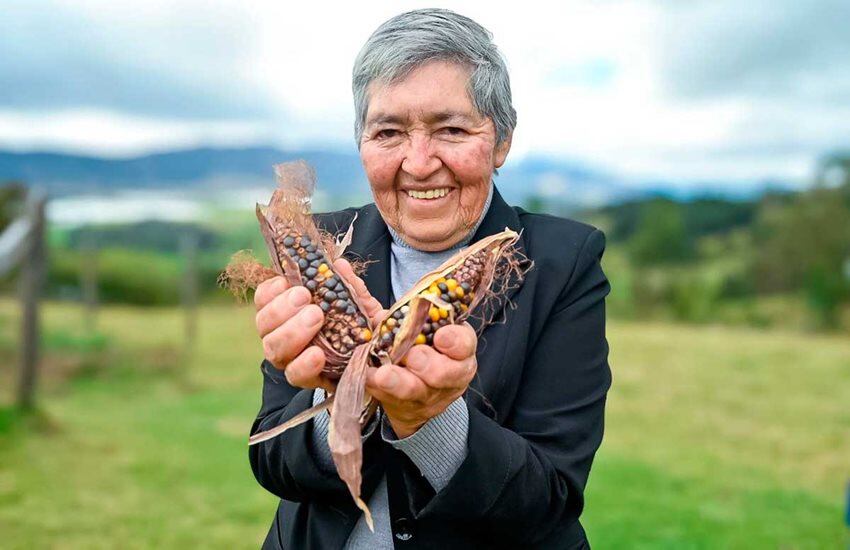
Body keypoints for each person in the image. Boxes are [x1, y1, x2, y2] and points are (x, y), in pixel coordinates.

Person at [249, 9, 611, 549]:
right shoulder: (322, 245)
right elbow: (272, 459)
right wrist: (347, 401)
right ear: (362, 143)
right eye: (389, 131)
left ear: (502, 140)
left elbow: (551, 497)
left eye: (451, 129)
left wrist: (429, 421)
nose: (419, 163)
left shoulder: (565, 260)